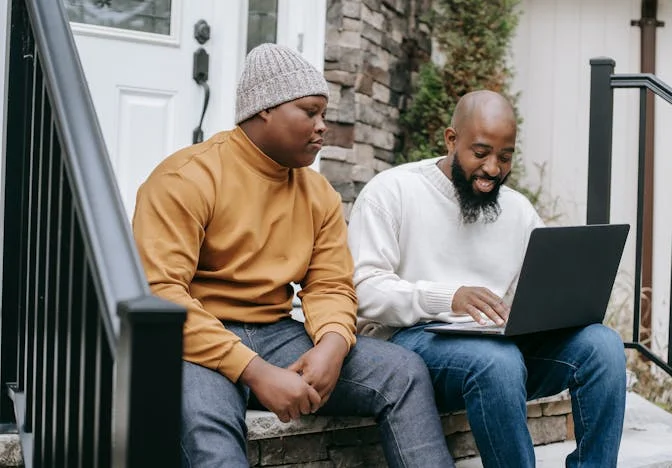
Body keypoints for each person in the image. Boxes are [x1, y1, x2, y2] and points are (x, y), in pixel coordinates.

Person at [132, 43, 455, 468]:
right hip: (198, 338)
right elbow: (161, 293)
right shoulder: (186, 178)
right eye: (310, 111)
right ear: (265, 108)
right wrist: (256, 372)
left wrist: (333, 345)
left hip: (278, 333)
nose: (323, 126)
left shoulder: (317, 191)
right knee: (206, 429)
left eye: (324, 113)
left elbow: (331, 283)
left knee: (404, 372)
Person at [347, 90, 627, 467]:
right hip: (411, 342)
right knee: (497, 360)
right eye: (480, 153)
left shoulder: (517, 210)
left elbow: (542, 287)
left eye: (505, 156)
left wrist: (547, 312)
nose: (493, 169)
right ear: (451, 139)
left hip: (493, 344)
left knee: (603, 346)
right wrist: (449, 297)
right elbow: (363, 289)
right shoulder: (393, 191)